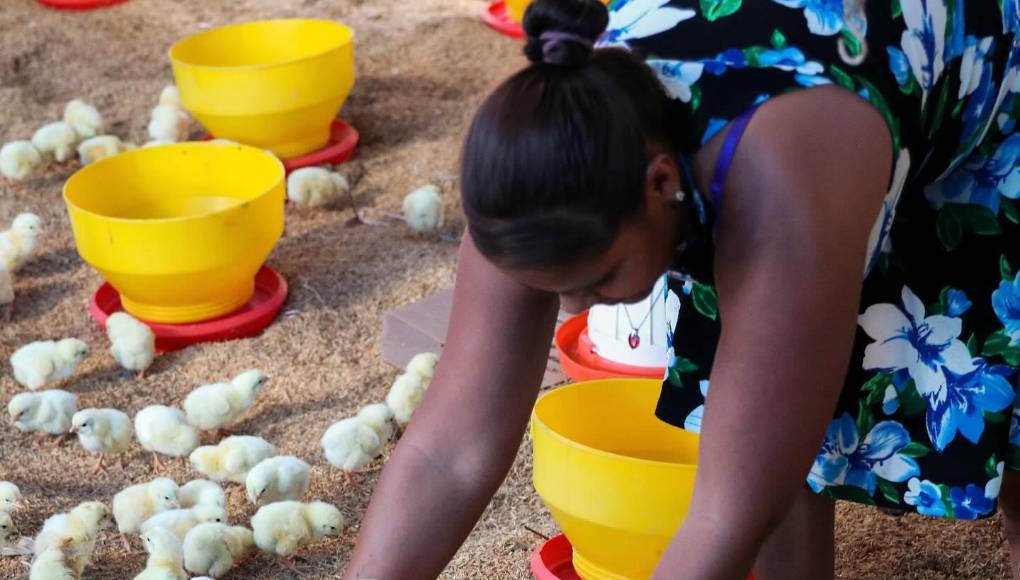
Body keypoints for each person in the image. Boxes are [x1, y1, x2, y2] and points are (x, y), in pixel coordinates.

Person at [346, 0, 1020, 577]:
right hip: (831, 88)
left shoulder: (783, 191)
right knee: (770, 424)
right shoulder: (536, 169)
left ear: (664, 184)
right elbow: (447, 454)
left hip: (977, 80)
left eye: (596, 278)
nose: (573, 308)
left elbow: (727, 515)